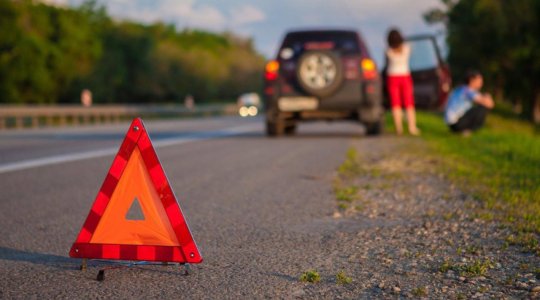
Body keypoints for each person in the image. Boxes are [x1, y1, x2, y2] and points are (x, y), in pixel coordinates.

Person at [385, 28, 420, 136]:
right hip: (405, 76)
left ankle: (399, 128)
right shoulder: (407, 49)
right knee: (409, 103)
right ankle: (412, 127)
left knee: (396, 104)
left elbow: (386, 64)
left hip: (392, 77)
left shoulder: (388, 51)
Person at [444, 70, 494, 135]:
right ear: (472, 80)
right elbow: (489, 105)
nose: (481, 83)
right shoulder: (468, 90)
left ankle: (464, 130)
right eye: (479, 81)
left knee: (479, 108)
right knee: (482, 108)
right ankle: (466, 130)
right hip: (456, 123)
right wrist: (488, 96)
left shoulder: (461, 88)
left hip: (451, 123)